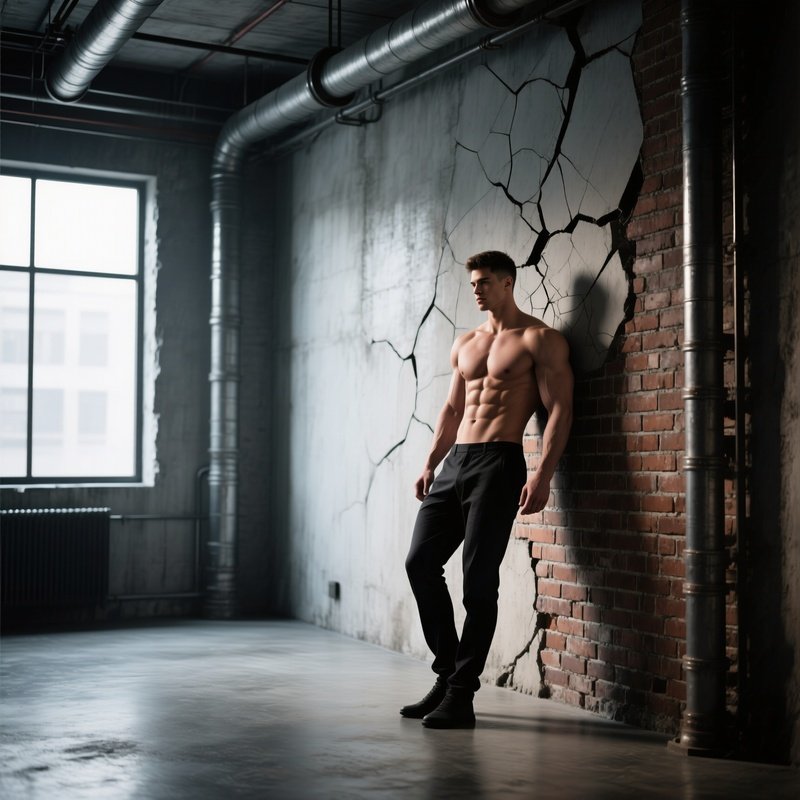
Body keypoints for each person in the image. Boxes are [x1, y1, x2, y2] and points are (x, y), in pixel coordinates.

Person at [401, 250, 574, 729]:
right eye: (473, 283)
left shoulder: (539, 339)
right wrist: (430, 462)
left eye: (483, 282)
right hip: (457, 462)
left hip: (499, 462)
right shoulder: (466, 343)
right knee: (420, 562)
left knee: (478, 583)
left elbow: (560, 409)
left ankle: (461, 693)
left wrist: (542, 474)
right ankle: (447, 674)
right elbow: (452, 410)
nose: (476, 289)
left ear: (507, 282)